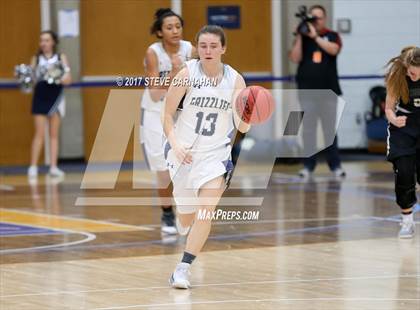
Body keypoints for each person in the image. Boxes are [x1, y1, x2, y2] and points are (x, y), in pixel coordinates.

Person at [163, 25, 250, 288]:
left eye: (213, 46)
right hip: (183, 154)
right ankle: (182, 218)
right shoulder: (186, 74)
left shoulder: (235, 81)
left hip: (215, 156)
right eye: (203, 46)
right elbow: (166, 115)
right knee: (187, 216)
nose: (208, 51)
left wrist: (249, 112)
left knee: (205, 212)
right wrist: (176, 144)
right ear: (197, 48)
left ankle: (182, 268)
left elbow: (243, 128)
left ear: (223, 48)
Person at [140, 8, 194, 234]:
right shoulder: (153, 52)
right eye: (169, 27)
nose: (175, 31)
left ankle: (187, 213)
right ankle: (167, 214)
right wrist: (173, 72)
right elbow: (154, 93)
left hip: (181, 113)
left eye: (178, 26)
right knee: (163, 169)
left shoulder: (190, 49)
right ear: (160, 32)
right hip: (155, 113)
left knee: (187, 165)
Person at [289, 4, 345, 179]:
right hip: (307, 91)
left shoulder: (332, 36)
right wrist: (300, 36)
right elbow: (295, 57)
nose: (316, 21)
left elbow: (334, 50)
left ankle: (335, 165)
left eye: (318, 17)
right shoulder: (303, 38)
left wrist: (316, 37)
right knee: (308, 130)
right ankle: (308, 166)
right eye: (312, 17)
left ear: (324, 18)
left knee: (330, 130)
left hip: (328, 91)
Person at [385, 46, 420, 238]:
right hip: (403, 127)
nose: (409, 73)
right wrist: (394, 119)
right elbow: (389, 108)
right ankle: (407, 220)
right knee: (404, 172)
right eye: (407, 69)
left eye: (413, 71)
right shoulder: (397, 75)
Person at [28, 30, 71, 179]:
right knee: (39, 133)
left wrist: (57, 75)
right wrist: (30, 76)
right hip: (40, 97)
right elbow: (31, 81)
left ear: (53, 42)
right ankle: (33, 167)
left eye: (47, 40)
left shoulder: (60, 58)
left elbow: (68, 79)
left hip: (56, 98)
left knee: (53, 135)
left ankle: (53, 167)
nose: (44, 43)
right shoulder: (36, 59)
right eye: (41, 40)